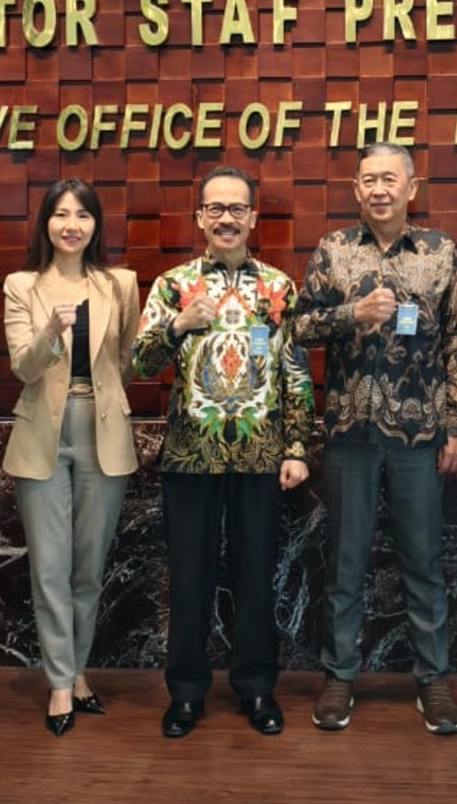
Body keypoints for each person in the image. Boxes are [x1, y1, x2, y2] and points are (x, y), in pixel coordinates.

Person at [288, 141, 457, 735]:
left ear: (412, 188)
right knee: (345, 562)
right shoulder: (334, 250)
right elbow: (297, 327)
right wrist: (353, 314)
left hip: (421, 435)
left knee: (424, 561)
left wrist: (456, 425)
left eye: (390, 179)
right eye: (368, 180)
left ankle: (433, 679)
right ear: (356, 189)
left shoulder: (441, 252)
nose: (379, 189)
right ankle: (339, 675)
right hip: (350, 432)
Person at [131, 166, 315, 739]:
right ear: (200, 218)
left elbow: (296, 373)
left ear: (253, 218)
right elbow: (140, 363)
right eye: (215, 208)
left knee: (256, 575)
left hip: (261, 457)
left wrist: (297, 446)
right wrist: (178, 326)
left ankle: (256, 687)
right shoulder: (173, 286)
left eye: (237, 208)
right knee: (189, 578)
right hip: (191, 457)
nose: (227, 218)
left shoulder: (279, 288)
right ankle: (186, 693)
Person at [2, 178, 141, 736]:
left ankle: (78, 671)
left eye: (82, 215)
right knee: (50, 567)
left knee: (89, 566)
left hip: (103, 430)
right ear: (46, 223)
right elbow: (22, 366)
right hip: (43, 433)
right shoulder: (22, 285)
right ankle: (60, 683)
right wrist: (52, 332)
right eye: (61, 214)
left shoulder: (120, 283)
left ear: (95, 225)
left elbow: (127, 360)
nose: (71, 225)